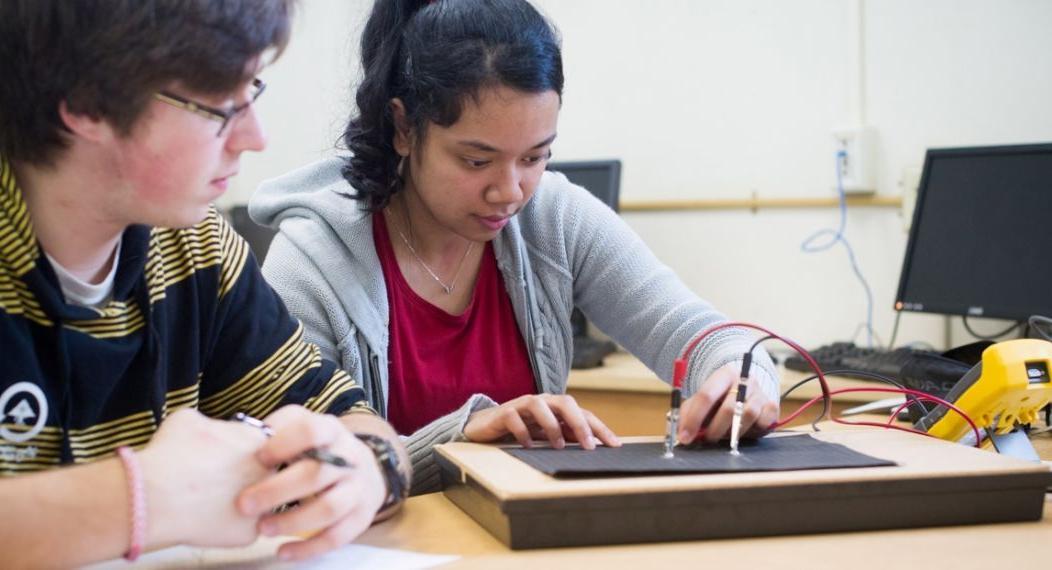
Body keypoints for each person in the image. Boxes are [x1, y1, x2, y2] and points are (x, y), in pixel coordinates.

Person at [250, 0, 781, 494]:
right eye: (476, 161)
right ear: (404, 128)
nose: (509, 192)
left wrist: (741, 380)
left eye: (534, 157)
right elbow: (298, 477)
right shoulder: (314, 262)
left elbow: (702, 336)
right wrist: (457, 440)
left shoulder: (554, 216)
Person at [0, 1, 410, 566]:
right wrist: (146, 496)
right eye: (220, 104)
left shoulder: (198, 251)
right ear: (87, 104)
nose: (255, 136)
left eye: (252, 93)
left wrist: (368, 470)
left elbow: (350, 418)